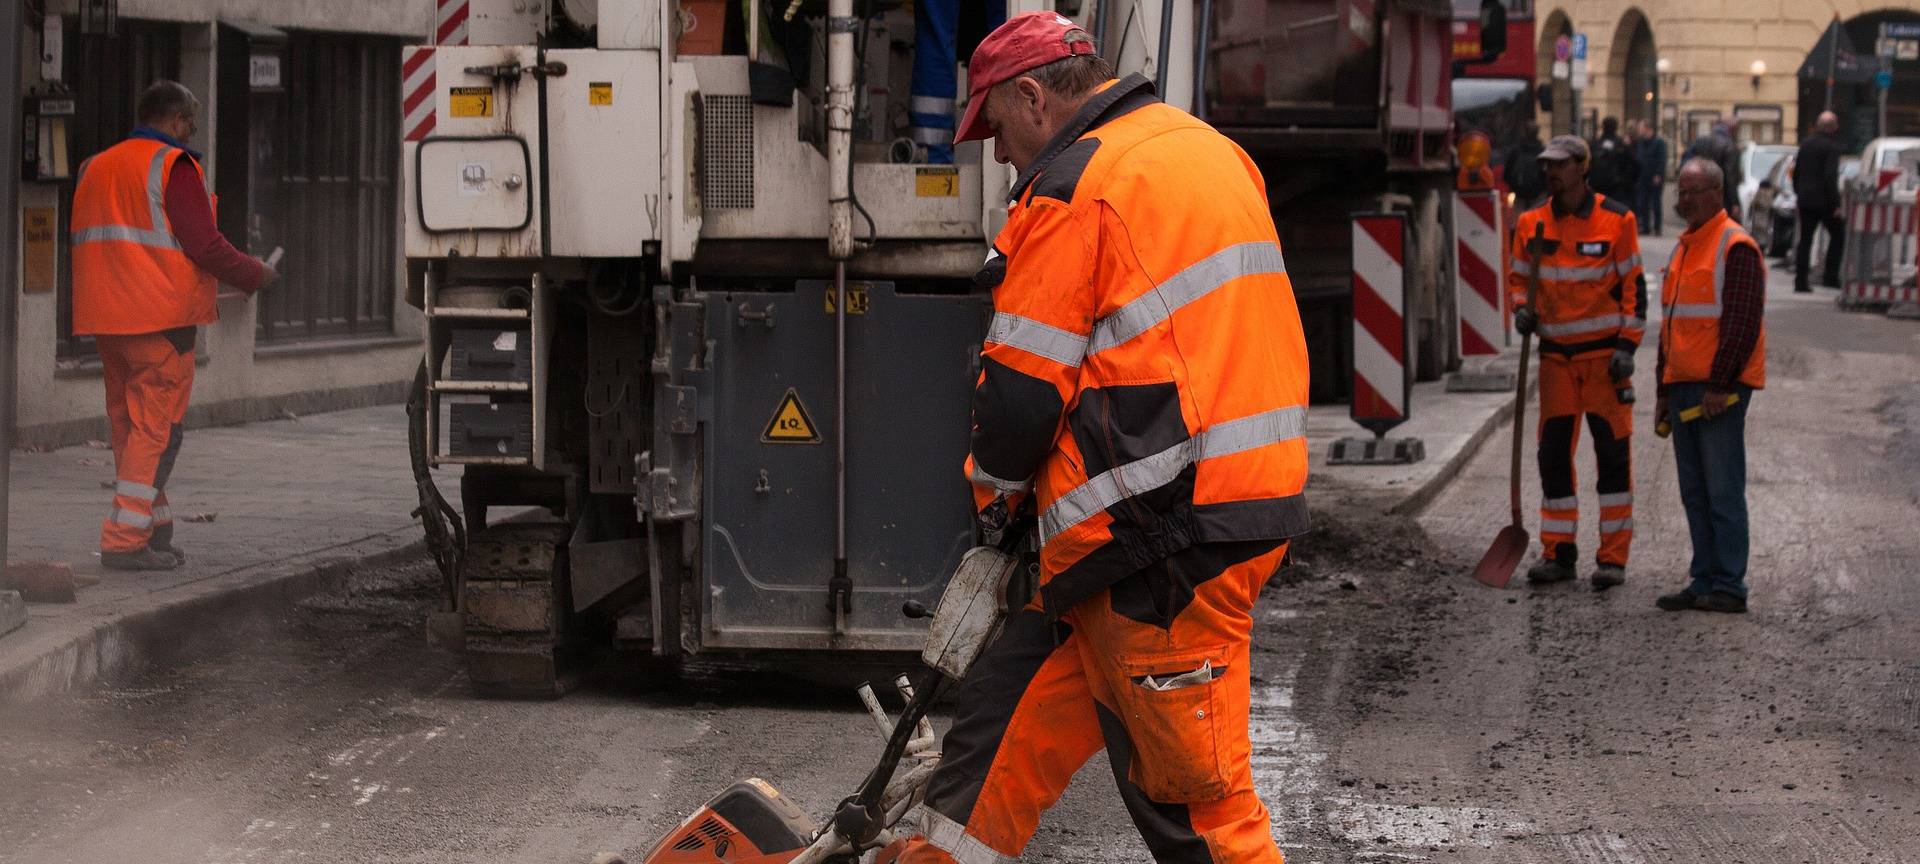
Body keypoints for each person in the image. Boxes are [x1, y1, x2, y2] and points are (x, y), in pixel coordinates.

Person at [885, 12, 1311, 864]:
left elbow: (1019, 402)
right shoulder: (1206, 150)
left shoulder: (1074, 187)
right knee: (1000, 726)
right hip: (1191, 515)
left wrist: (996, 510)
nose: (999, 156)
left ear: (1032, 96)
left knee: (1194, 812)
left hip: (1161, 539)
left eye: (996, 130)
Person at [69, 81, 277, 571]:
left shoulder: (95, 166)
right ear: (177, 119)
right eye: (191, 122)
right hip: (161, 320)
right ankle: (124, 541)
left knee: (130, 427)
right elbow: (205, 245)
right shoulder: (173, 166)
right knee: (157, 432)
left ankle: (153, 526)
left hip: (107, 318)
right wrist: (255, 274)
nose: (192, 131)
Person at [1507, 136, 1645, 590]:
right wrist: (1520, 309)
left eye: (1561, 165)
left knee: (1612, 458)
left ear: (1583, 168)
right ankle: (1558, 553)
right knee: (1553, 457)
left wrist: (1627, 346)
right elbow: (1518, 279)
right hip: (1556, 360)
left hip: (1604, 361)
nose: (1551, 172)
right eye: (1547, 165)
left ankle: (1613, 559)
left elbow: (1634, 288)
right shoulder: (1532, 222)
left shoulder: (1618, 220)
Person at [1655, 159, 1765, 614]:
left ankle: (1729, 586)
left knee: (1722, 491)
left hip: (1718, 390)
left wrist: (1719, 385)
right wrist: (1662, 390)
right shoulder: (1685, 248)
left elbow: (1740, 324)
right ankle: (1703, 580)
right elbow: (1672, 325)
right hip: (1683, 385)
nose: (1684, 201)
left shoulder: (1735, 246)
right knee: (1696, 493)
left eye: (1693, 192)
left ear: (1717, 194)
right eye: (1680, 192)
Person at [1792, 110, 1846, 292]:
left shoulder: (1806, 144)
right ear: (1834, 127)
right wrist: (1836, 204)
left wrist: (1798, 192)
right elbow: (1830, 177)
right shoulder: (1832, 147)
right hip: (1824, 201)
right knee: (1838, 235)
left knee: (1805, 240)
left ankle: (1800, 281)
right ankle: (1830, 276)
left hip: (1806, 199)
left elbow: (1797, 172)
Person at [1683, 121, 1742, 221]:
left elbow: (1686, 165)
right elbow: (1730, 176)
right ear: (1730, 131)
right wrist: (1734, 202)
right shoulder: (1729, 146)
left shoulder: (1699, 142)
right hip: (1721, 197)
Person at [1588, 116, 1641, 204]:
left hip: (1597, 187)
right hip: (1616, 188)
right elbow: (1635, 165)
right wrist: (1627, 182)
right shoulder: (1621, 145)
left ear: (1602, 127)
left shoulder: (1594, 144)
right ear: (1616, 128)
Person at [1632, 119, 1668, 235]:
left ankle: (1657, 228)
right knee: (1643, 202)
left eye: (1641, 128)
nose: (1639, 130)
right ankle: (1646, 227)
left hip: (1654, 177)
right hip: (1643, 177)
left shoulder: (1659, 143)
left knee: (1655, 202)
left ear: (1647, 129)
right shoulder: (1640, 143)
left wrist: (1658, 174)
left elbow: (1661, 159)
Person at [1502, 121, 1548, 209]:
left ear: (1524, 132)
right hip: (1538, 195)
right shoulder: (1543, 151)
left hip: (1519, 195)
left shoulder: (1516, 151)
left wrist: (1514, 188)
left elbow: (1507, 174)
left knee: (1520, 217)